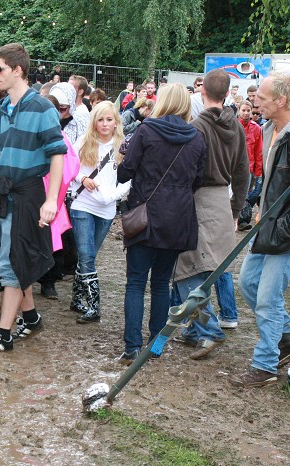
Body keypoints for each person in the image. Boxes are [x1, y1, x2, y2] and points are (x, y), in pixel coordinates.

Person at [231, 73, 290, 387]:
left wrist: (282, 230)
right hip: (267, 226)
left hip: (289, 234)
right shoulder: (272, 129)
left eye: (263, 98)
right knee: (248, 283)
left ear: (281, 101)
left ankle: (264, 366)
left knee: (268, 299)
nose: (256, 101)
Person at [0, 43, 67, 352]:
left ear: (18, 70)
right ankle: (29, 316)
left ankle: (4, 333)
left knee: (11, 260)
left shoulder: (42, 108)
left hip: (29, 194)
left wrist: (52, 200)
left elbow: (57, 155)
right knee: (11, 256)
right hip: (4, 192)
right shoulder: (2, 109)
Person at [116, 84, 206, 364]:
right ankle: (155, 347)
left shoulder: (146, 131)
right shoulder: (197, 138)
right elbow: (198, 179)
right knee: (161, 284)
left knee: (135, 282)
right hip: (178, 217)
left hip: (146, 212)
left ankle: (132, 347)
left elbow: (126, 171)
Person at [172, 69, 250, 360]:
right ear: (228, 93)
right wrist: (236, 210)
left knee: (186, 270)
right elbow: (244, 172)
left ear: (202, 91)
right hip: (222, 198)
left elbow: (189, 172)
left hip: (199, 198)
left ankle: (209, 330)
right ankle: (193, 331)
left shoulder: (196, 127)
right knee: (205, 269)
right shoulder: (237, 126)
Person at [68, 101, 130, 323]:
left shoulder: (124, 147)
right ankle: (93, 305)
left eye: (109, 119)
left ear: (116, 122)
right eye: (100, 119)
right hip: (83, 204)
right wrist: (83, 178)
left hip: (107, 208)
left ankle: (76, 297)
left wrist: (111, 196)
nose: (104, 124)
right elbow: (70, 167)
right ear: (94, 122)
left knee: (90, 255)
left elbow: (129, 179)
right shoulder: (84, 142)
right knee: (86, 255)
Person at [237, 101, 264, 231]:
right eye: (244, 110)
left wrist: (258, 172)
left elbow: (259, 151)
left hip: (248, 168)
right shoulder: (233, 126)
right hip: (233, 167)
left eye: (249, 110)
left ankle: (242, 220)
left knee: (245, 194)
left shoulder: (256, 128)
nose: (246, 113)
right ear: (238, 110)